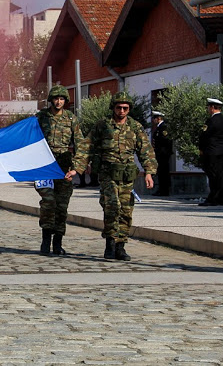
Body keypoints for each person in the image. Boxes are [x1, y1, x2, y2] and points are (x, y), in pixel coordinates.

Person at [66, 92, 157, 261]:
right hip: (108, 174)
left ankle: (121, 246)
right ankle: (110, 243)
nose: (122, 111)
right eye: (119, 108)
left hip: (127, 175)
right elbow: (87, 147)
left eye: (125, 108)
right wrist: (76, 169)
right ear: (113, 108)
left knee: (126, 210)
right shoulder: (103, 125)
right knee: (112, 207)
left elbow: (146, 151)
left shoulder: (135, 127)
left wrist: (149, 173)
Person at [35, 86, 85, 255]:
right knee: (48, 203)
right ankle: (45, 241)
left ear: (65, 101)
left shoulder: (71, 119)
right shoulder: (41, 117)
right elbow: (28, 138)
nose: (58, 102)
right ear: (51, 100)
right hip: (45, 167)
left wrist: (76, 169)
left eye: (62, 99)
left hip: (64, 168)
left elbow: (81, 145)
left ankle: (58, 243)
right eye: (56, 99)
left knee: (62, 206)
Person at [198, 98, 223, 206]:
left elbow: (204, 136)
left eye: (208, 107)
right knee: (221, 175)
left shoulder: (211, 121)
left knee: (213, 176)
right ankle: (221, 198)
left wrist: (201, 149)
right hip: (222, 152)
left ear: (212, 108)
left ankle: (213, 198)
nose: (208, 109)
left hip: (212, 152)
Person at [152, 111, 173, 196]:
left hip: (163, 154)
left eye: (154, 118)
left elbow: (166, 140)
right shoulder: (159, 127)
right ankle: (161, 189)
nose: (153, 120)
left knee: (163, 172)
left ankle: (164, 190)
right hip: (159, 153)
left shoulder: (164, 127)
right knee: (160, 171)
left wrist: (163, 151)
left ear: (159, 118)